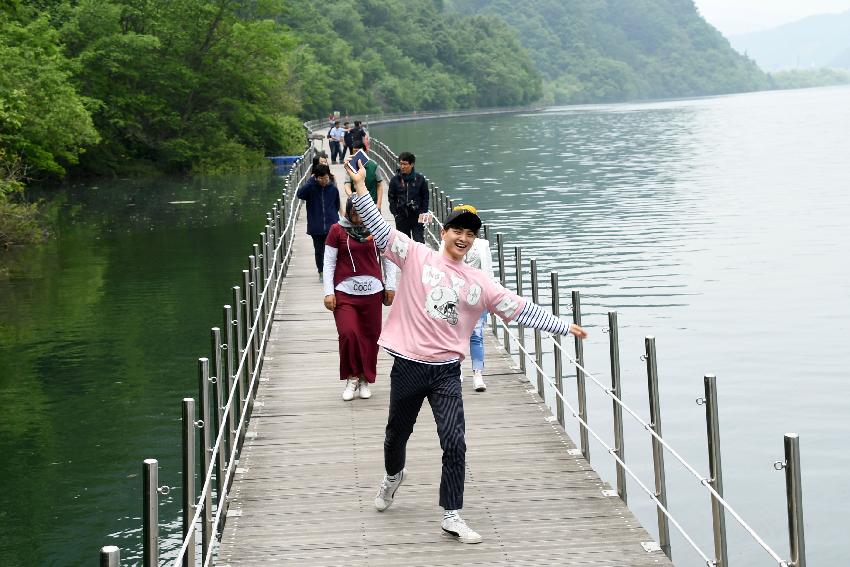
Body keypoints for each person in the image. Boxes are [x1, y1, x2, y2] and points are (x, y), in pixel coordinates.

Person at [345, 158, 587, 545]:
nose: (463, 237)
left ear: (474, 240)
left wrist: (563, 325)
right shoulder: (415, 255)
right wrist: (359, 187)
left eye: (470, 234)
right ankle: (393, 476)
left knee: (454, 441)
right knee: (396, 434)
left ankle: (452, 514)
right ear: (443, 232)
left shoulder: (480, 283)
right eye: (457, 230)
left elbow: (519, 307)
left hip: (445, 371)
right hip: (407, 364)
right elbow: (378, 227)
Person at [323, 198, 398, 401]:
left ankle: (365, 378)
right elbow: (329, 262)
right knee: (348, 333)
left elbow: (388, 259)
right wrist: (328, 291)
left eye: (362, 211)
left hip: (372, 292)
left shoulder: (378, 230)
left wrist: (390, 286)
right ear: (348, 212)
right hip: (344, 292)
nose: (359, 216)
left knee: (370, 337)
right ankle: (351, 377)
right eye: (355, 212)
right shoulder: (337, 230)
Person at [438, 204, 493, 392]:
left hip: (477, 297)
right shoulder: (446, 241)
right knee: (454, 335)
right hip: (454, 297)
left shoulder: (482, 245)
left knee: (476, 336)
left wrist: (490, 298)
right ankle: (457, 370)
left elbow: (488, 272)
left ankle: (478, 374)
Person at [296, 163, 340, 281]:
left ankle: (333, 271)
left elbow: (337, 205)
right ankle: (321, 271)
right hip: (316, 226)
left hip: (332, 225)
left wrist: (337, 221)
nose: (323, 181)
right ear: (315, 177)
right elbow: (299, 194)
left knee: (333, 250)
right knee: (319, 250)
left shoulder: (333, 188)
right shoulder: (311, 188)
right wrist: (311, 181)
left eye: (325, 178)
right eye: (320, 178)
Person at [388, 152, 429, 243]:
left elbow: (425, 198)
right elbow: (391, 198)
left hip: (417, 216)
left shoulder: (420, 179)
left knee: (419, 242)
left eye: (405, 164)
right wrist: (395, 214)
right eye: (401, 164)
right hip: (401, 216)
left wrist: (424, 213)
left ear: (412, 164)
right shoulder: (395, 180)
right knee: (404, 244)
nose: (402, 167)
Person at [343, 140, 385, 208]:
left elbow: (379, 185)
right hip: (357, 203)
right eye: (354, 151)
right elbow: (347, 184)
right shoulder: (350, 166)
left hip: (372, 203)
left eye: (359, 152)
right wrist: (351, 196)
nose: (356, 154)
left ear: (365, 152)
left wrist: (379, 204)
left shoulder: (374, 165)